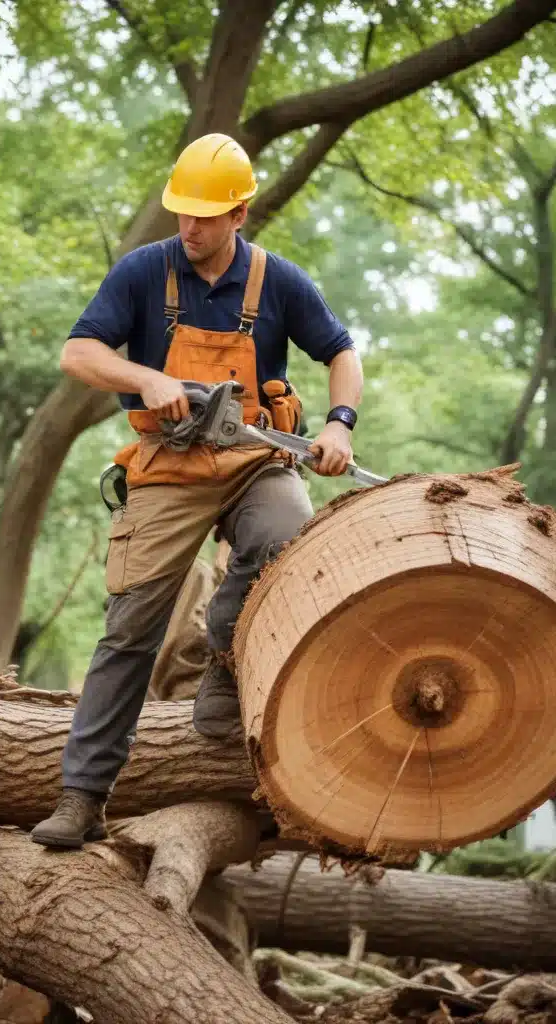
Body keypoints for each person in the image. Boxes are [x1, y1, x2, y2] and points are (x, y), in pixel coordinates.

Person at [31, 133, 363, 848]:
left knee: (286, 533)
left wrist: (339, 426)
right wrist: (145, 378)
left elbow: (341, 352)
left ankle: (223, 655)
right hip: (168, 466)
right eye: (182, 213)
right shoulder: (145, 272)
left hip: (253, 462)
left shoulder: (279, 282)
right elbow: (77, 352)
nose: (190, 227)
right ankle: (82, 796)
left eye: (206, 216)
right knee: (129, 630)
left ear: (240, 214)